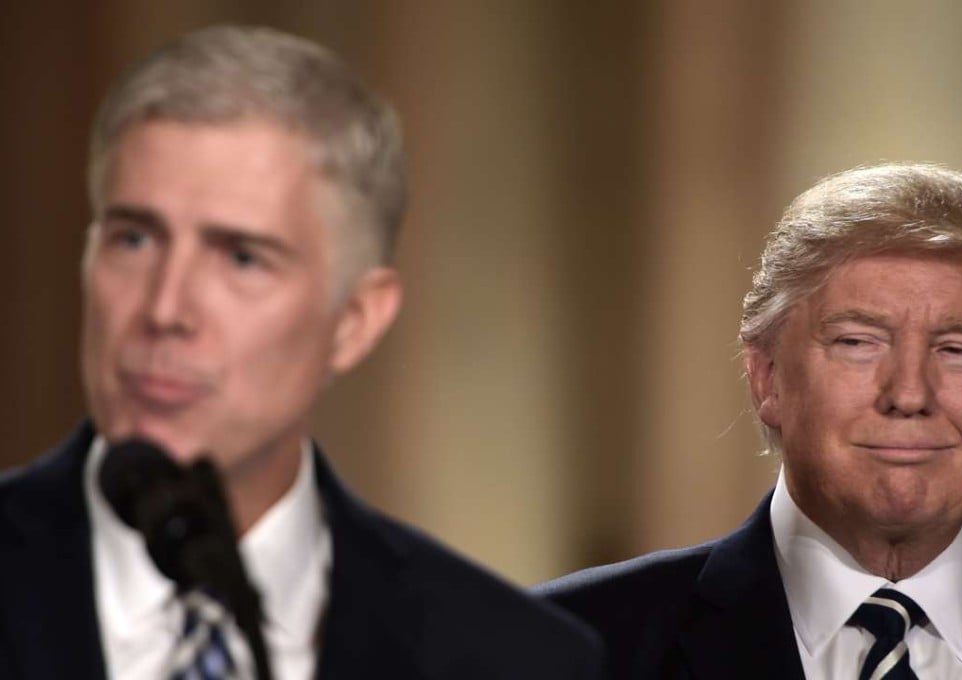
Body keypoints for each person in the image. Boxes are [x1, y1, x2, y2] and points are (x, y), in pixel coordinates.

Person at [0, 25, 604, 680]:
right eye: (134, 240)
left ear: (355, 321)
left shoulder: (514, 659)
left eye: (241, 257)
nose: (164, 309)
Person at [538, 163, 962, 679]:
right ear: (768, 379)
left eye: (958, 350)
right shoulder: (566, 648)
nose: (908, 394)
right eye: (857, 343)